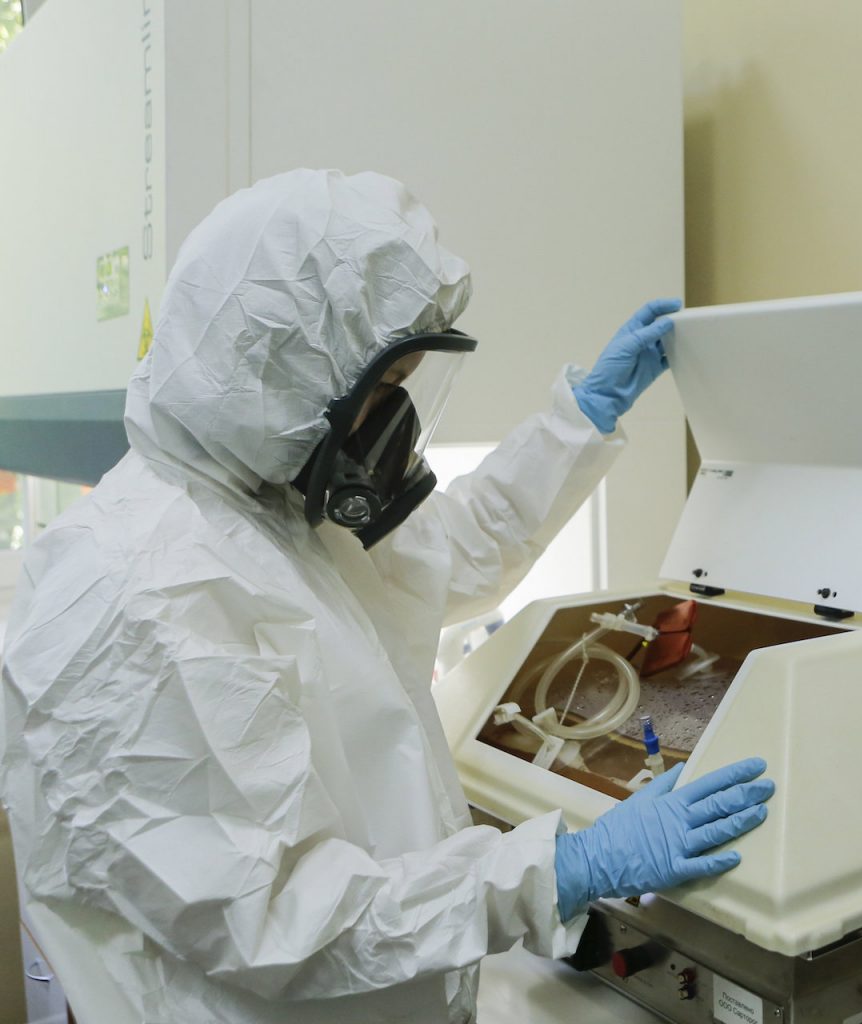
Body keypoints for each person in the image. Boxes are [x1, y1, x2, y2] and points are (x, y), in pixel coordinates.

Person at [0, 169, 774, 1023]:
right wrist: (556, 872)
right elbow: (283, 920)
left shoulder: (267, 507)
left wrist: (580, 419)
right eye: (384, 387)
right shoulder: (137, 596)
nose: (392, 421)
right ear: (280, 376)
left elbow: (453, 547)